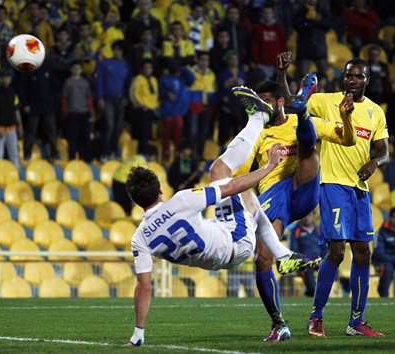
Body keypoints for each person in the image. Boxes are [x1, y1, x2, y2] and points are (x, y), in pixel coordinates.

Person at [127, 86, 321, 346]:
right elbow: (231, 186)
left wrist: (138, 333)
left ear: (136, 202)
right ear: (161, 190)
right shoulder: (180, 202)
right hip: (236, 241)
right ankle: (257, 118)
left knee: (245, 196)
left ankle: (284, 256)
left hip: (217, 256)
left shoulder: (139, 239)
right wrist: (270, 167)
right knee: (220, 171)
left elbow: (144, 287)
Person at [241, 58, 356, 341]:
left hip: (304, 188)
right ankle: (278, 323)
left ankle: (303, 109)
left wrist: (347, 116)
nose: (261, 107)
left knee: (308, 149)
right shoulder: (257, 133)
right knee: (262, 258)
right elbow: (240, 177)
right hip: (273, 194)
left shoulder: (293, 121)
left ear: (281, 102)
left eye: (266, 101)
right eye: (258, 103)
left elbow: (348, 140)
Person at [277, 54, 389, 337]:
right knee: (337, 251)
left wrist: (375, 162)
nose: (352, 80)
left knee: (363, 253)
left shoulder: (376, 112)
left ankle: (356, 321)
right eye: (349, 75)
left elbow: (383, 150)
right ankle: (316, 316)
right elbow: (291, 101)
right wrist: (282, 73)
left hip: (359, 189)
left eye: (358, 76)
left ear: (367, 80)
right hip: (332, 184)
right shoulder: (326, 101)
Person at [0, 69, 23, 168]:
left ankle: (15, 176)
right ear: (1, 78)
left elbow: (16, 110)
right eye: (7, 78)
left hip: (11, 128)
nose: (9, 80)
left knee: (14, 155)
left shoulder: (12, 91)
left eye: (10, 78)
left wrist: (19, 126)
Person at [285, 211, 328, 297]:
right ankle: (315, 295)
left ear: (313, 217)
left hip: (319, 261)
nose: (306, 218)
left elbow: (324, 249)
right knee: (308, 271)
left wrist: (323, 260)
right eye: (304, 215)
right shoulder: (295, 231)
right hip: (304, 262)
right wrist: (307, 261)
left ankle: (314, 293)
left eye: (309, 215)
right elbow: (293, 250)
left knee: (329, 269)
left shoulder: (319, 230)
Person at [62, 61, 93, 161]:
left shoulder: (85, 82)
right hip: (72, 113)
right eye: (74, 68)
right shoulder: (67, 82)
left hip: (84, 113)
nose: (76, 70)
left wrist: (90, 111)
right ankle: (72, 157)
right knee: (72, 137)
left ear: (81, 70)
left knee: (85, 136)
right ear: (71, 70)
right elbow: (64, 98)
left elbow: (89, 98)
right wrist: (65, 111)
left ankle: (86, 157)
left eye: (79, 68)